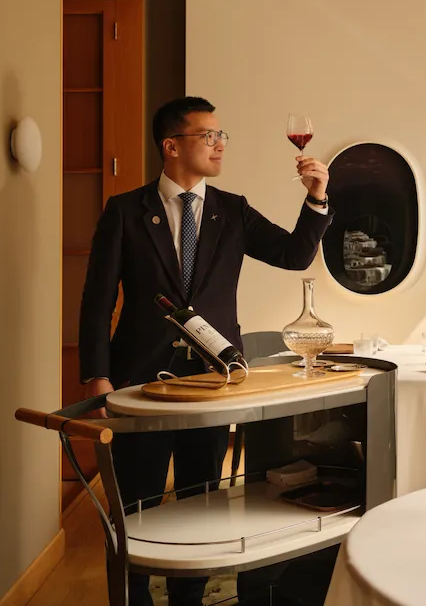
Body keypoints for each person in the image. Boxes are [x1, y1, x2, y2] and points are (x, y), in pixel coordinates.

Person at [78, 96, 332, 606]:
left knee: (202, 502)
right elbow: (97, 300)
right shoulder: (125, 211)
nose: (219, 145)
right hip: (140, 382)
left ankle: (189, 598)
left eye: (221, 136)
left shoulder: (232, 210)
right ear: (171, 146)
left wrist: (317, 199)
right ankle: (131, 598)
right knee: (135, 507)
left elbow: (294, 254)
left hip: (215, 382)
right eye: (208, 135)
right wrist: (98, 376)